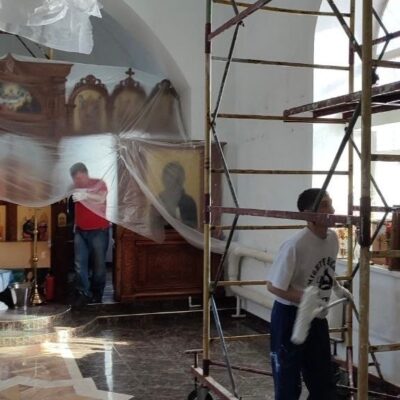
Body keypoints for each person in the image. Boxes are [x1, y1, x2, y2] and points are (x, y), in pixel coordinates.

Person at [267, 188, 338, 400]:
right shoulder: (295, 245)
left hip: (317, 317)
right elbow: (273, 286)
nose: (332, 210)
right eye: (324, 205)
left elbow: (322, 270)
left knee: (322, 379)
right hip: (289, 316)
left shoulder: (333, 239)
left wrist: (335, 287)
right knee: (288, 380)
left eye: (330, 203)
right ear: (308, 214)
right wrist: (305, 298)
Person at [70, 162, 109, 306]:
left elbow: (101, 198)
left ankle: (97, 294)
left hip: (99, 230)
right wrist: (75, 226)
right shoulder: (74, 187)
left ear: (86, 174)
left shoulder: (99, 183)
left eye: (80, 178)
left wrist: (85, 195)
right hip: (80, 230)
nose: (78, 181)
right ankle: (84, 293)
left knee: (99, 266)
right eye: (76, 179)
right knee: (79, 265)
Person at [158, 161, 198, 228]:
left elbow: (192, 227)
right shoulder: (158, 201)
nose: (168, 179)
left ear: (180, 180)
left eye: (172, 176)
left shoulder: (188, 202)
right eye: (166, 175)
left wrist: (179, 222)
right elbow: (153, 227)